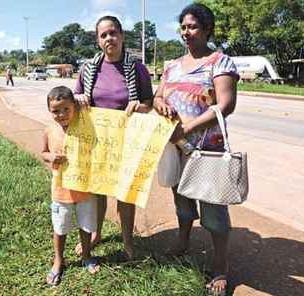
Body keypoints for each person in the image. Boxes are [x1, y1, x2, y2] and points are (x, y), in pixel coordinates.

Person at [153, 3, 239, 295]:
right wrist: (160, 103)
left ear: (206, 29)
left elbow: (225, 105)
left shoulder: (219, 62)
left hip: (207, 149)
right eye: (183, 27)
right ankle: (183, 242)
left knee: (214, 210)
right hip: (176, 147)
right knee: (182, 201)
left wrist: (188, 128)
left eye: (193, 27)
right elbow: (158, 96)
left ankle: (220, 267)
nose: (186, 32)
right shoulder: (172, 66)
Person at [73, 15, 153, 260]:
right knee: (98, 191)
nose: (110, 38)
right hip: (97, 141)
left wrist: (140, 107)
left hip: (128, 141)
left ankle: (127, 240)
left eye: (113, 33)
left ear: (122, 36)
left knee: (125, 192)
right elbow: (75, 97)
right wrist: (78, 99)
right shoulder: (88, 69)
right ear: (98, 41)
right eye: (104, 35)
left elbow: (149, 103)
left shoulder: (137, 68)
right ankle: (96, 234)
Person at [42, 86, 99, 286]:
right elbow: (43, 152)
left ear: (74, 107)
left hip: (85, 188)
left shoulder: (84, 126)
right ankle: (58, 260)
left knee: (86, 226)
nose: (62, 114)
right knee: (60, 227)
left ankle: (86, 255)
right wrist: (51, 157)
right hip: (60, 191)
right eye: (56, 111)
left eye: (66, 109)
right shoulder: (49, 130)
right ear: (49, 111)